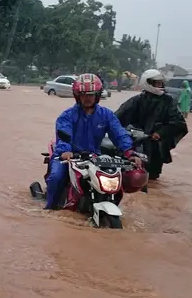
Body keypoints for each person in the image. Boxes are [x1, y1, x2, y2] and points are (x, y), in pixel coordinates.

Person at [44, 73, 143, 210]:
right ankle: (49, 208)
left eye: (91, 94)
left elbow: (119, 134)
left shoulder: (106, 115)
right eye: (83, 94)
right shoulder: (67, 116)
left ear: (97, 95)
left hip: (94, 157)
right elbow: (64, 135)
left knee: (116, 179)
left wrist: (130, 153)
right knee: (56, 176)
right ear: (77, 95)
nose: (87, 98)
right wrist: (65, 151)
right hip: (68, 157)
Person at [115, 69, 189, 180]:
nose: (160, 85)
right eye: (157, 83)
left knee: (152, 177)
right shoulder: (137, 100)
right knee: (130, 175)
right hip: (135, 143)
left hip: (156, 146)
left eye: (161, 83)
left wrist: (160, 132)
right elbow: (116, 118)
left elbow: (179, 123)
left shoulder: (168, 101)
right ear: (147, 82)